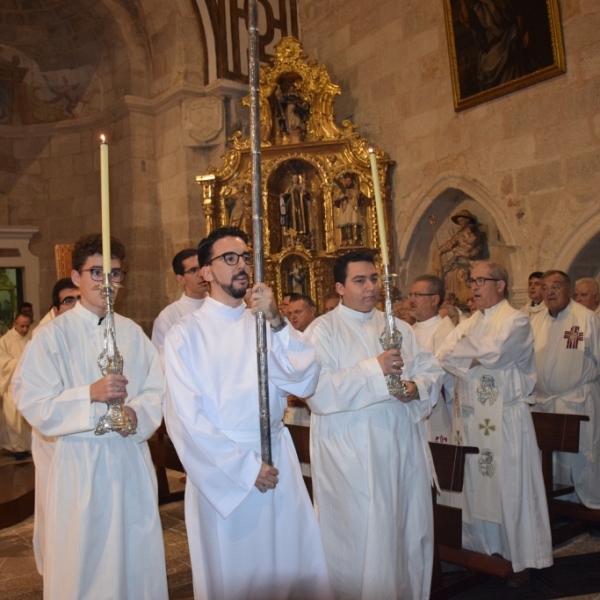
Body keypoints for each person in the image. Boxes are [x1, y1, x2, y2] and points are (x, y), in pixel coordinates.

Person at [163, 226, 332, 600]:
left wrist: (276, 320)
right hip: (226, 471)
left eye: (245, 257)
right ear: (206, 271)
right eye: (229, 258)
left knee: (291, 567)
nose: (241, 266)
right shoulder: (185, 335)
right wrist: (245, 469)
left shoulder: (265, 323)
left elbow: (305, 379)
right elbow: (185, 420)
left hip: (278, 458)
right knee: (239, 576)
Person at [14, 233, 168, 600]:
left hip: (128, 460)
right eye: (97, 272)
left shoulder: (131, 333)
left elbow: (155, 390)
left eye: (115, 274)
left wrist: (136, 414)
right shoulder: (52, 337)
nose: (107, 282)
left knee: (134, 555)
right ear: (76, 277)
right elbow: (33, 401)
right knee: (85, 561)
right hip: (80, 465)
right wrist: (89, 394)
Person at [306, 250, 443, 600]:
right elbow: (318, 392)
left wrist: (417, 387)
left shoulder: (398, 327)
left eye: (374, 279)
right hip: (352, 452)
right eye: (359, 280)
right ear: (339, 287)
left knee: (406, 531)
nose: (370, 288)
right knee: (361, 536)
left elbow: (429, 370)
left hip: (402, 446)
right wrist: (375, 368)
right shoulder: (322, 331)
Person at [436, 260, 552, 585]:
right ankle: (486, 548)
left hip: (505, 419)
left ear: (500, 284)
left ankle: (519, 556)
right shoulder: (470, 322)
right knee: (478, 489)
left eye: (481, 280)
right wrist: (471, 357)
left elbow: (497, 351)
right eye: (472, 280)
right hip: (473, 420)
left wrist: (468, 356)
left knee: (509, 488)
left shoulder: (515, 321)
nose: (473, 286)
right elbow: (445, 354)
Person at [530, 270, 600, 509]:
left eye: (556, 286)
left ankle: (591, 507)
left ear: (568, 290)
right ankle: (560, 506)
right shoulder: (535, 320)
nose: (550, 291)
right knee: (552, 460)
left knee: (583, 458)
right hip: (545, 403)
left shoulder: (586, 318)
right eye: (545, 287)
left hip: (577, 401)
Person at [28, 277, 80, 574]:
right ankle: (58, 570)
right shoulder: (43, 338)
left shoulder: (95, 334)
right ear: (56, 308)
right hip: (53, 440)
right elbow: (26, 392)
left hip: (88, 437)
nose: (73, 306)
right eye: (67, 301)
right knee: (58, 508)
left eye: (77, 299)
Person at [409, 275, 456, 443]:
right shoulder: (409, 331)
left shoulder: (445, 331)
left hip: (439, 409)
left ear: (434, 299)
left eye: (417, 295)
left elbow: (438, 372)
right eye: (411, 294)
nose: (411, 300)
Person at [151, 248, 209, 364]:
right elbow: (162, 360)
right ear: (180, 279)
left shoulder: (220, 306)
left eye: (202, 267)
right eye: (193, 270)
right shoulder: (168, 316)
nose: (201, 274)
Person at [432, 209, 487, 307]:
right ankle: (453, 298)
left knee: (461, 272)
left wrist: (467, 254)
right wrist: (440, 251)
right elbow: (450, 243)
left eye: (463, 220)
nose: (461, 223)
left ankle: (466, 298)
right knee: (446, 271)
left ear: (468, 220)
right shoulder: (459, 234)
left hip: (472, 262)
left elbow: (478, 250)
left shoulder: (479, 236)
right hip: (460, 260)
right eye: (460, 221)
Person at [0, 314, 33, 459]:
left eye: (27, 326)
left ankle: (27, 447)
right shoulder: (5, 341)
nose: (25, 329)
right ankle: (16, 448)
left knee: (27, 419)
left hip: (27, 386)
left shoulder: (29, 340)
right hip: (11, 385)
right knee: (13, 418)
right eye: (22, 326)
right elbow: (3, 364)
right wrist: (20, 363)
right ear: (15, 324)